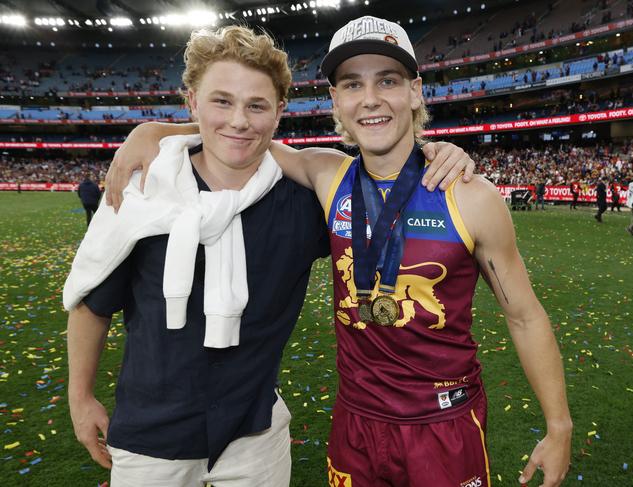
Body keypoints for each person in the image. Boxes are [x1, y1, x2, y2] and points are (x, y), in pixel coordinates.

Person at [108, 16, 571, 487]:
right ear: (336, 101)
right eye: (352, 84)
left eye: (387, 81)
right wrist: (154, 129)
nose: (370, 99)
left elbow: (525, 316)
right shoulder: (327, 177)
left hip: (444, 422)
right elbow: (241, 133)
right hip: (356, 422)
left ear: (415, 92)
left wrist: (559, 427)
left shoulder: (470, 195)